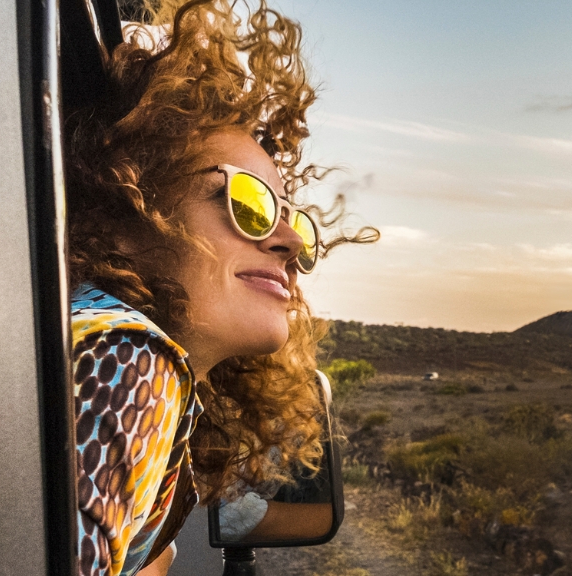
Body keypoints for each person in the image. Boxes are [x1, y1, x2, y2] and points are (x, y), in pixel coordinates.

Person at [62, 1, 374, 574]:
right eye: (247, 204)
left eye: (290, 215)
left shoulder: (82, 348)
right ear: (120, 213)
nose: (293, 244)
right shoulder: (127, 355)